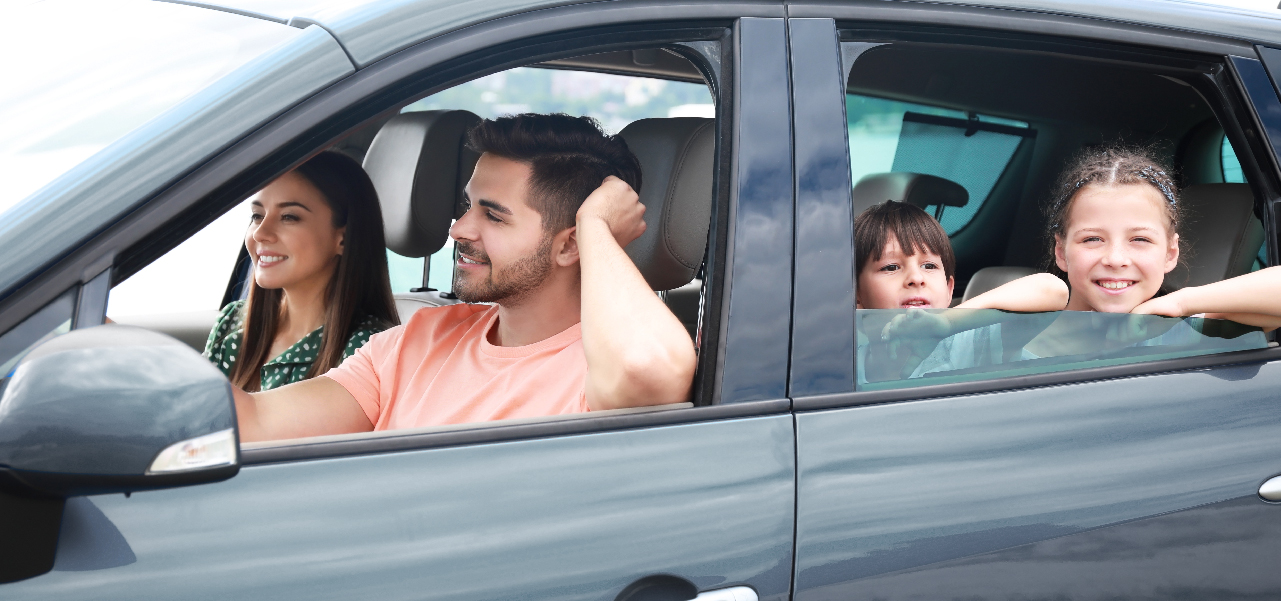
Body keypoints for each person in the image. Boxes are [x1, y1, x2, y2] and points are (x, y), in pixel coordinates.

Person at [232, 114, 696, 442]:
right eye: (465, 206)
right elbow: (254, 423)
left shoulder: (605, 367)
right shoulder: (418, 339)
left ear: (570, 245)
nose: (457, 229)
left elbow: (645, 371)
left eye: (493, 217)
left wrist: (597, 227)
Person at [1012, 145, 1281, 357]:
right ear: (1061, 251)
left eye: (1139, 239)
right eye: (1093, 239)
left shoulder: (1183, 331)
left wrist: (1180, 303)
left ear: (1170, 253)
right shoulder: (1012, 335)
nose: (1115, 259)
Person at [204, 151, 398, 392]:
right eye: (257, 215)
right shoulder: (231, 322)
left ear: (344, 239)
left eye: (289, 217)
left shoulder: (368, 348)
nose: (260, 233)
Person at [854, 201, 1067, 382]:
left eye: (929, 266)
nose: (916, 278)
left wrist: (948, 323)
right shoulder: (846, 368)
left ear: (949, 290)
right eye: (891, 267)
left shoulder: (969, 346)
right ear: (855, 295)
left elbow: (1053, 290)